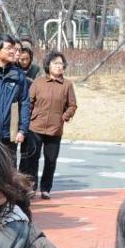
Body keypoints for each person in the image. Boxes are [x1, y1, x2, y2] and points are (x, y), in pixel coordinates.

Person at [26, 51, 77, 199]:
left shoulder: (67, 85)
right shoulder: (38, 82)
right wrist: (28, 119)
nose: (59, 66)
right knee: (32, 159)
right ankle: (31, 187)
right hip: (35, 127)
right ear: (48, 65)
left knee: (51, 160)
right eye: (55, 63)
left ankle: (46, 188)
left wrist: (65, 116)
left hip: (55, 129)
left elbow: (72, 105)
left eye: (61, 64)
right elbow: (29, 102)